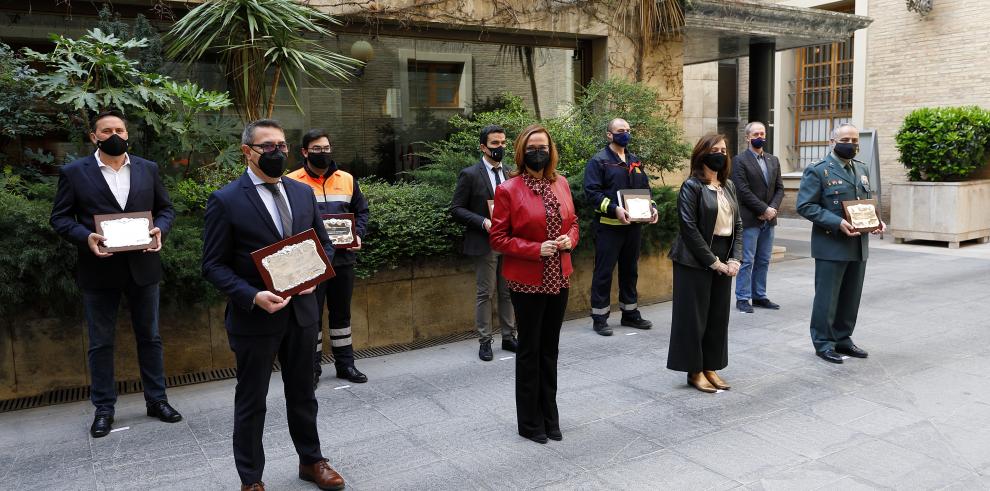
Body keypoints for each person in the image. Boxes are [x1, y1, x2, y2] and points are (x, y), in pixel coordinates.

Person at [201, 119, 344, 491]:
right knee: (252, 401)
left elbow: (324, 245)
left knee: (303, 392)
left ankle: (312, 461)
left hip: (302, 313)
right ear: (247, 151)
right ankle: (251, 479)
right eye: (268, 146)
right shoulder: (225, 200)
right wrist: (251, 296)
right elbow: (212, 265)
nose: (277, 152)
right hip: (256, 317)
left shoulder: (301, 193)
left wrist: (315, 276)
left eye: (281, 145)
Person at [50, 109, 182, 438]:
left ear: (127, 134)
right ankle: (104, 409)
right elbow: (60, 218)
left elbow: (165, 209)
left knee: (150, 338)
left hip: (144, 267)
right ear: (94, 137)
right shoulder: (74, 172)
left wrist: (159, 230)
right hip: (99, 269)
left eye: (120, 129)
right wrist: (85, 237)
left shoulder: (147, 169)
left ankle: (157, 400)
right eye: (106, 130)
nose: (114, 135)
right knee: (100, 343)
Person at [489, 124, 579, 444]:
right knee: (529, 350)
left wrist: (570, 239)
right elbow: (498, 238)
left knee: (550, 350)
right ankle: (529, 422)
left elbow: (574, 222)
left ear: (550, 150)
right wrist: (533, 249)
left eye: (542, 147)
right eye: (531, 148)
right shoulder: (509, 189)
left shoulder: (562, 183)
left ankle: (550, 416)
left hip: (559, 277)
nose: (537, 152)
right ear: (522, 152)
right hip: (527, 281)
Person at [796, 123, 885, 364]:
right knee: (827, 297)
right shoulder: (818, 170)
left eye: (855, 140)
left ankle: (843, 338)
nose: (851, 144)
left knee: (850, 296)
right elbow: (805, 206)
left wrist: (876, 222)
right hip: (831, 245)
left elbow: (864, 203)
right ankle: (823, 342)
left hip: (858, 245)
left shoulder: (862, 168)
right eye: (846, 139)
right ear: (832, 142)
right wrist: (836, 222)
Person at [287, 129, 369, 386]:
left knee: (341, 315)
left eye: (326, 148)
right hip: (311, 262)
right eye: (316, 149)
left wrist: (358, 234)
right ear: (304, 152)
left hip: (343, 259)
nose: (323, 153)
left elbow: (362, 211)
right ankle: (312, 369)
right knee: (311, 317)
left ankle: (346, 365)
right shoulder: (291, 181)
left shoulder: (346, 178)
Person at [666, 133, 743, 393]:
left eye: (724, 150)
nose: (720, 154)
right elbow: (689, 228)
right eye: (715, 150)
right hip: (694, 258)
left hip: (724, 252)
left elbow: (738, 225)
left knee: (717, 316)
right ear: (702, 154)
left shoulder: (728, 186)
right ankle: (694, 370)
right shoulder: (692, 186)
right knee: (694, 317)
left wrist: (735, 258)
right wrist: (713, 262)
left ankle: (711, 366)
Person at [583, 118, 657, 336]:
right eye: (620, 131)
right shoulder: (599, 161)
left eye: (627, 130)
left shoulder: (635, 160)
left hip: (633, 227)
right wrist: (614, 209)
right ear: (609, 135)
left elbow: (645, 189)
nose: (625, 134)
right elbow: (592, 193)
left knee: (630, 271)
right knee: (604, 273)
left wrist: (652, 207)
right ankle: (600, 317)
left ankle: (630, 313)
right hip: (608, 227)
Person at [450, 124, 518, 361]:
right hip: (485, 242)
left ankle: (509, 336)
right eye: (495, 144)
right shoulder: (470, 174)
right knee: (485, 293)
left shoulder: (510, 172)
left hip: (509, 242)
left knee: (508, 291)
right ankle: (485, 341)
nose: (500, 148)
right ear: (483, 147)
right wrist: (482, 222)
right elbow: (456, 209)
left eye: (503, 143)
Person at [730, 121, 784, 313]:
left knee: (763, 259)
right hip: (750, 219)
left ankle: (759, 296)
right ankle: (743, 298)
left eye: (762, 134)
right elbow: (742, 190)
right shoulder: (739, 160)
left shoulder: (773, 160)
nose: (760, 137)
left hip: (769, 219)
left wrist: (772, 209)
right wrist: (763, 209)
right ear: (747, 138)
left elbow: (779, 188)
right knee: (747, 260)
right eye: (755, 134)